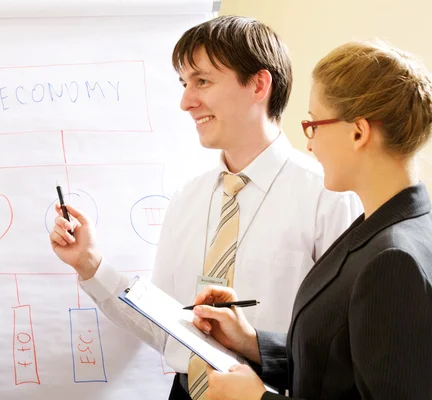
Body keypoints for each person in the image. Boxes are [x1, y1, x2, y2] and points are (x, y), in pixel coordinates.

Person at [49, 16, 362, 399]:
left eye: (202, 81)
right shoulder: (187, 199)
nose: (186, 102)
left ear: (258, 85)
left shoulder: (329, 197)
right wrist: (90, 264)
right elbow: (166, 328)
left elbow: (343, 350)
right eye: (184, 84)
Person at [190, 40, 432, 400]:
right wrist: (253, 343)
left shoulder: (393, 259)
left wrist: (258, 399)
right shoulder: (381, 226)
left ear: (358, 132)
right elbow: (339, 366)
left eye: (313, 124)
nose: (309, 143)